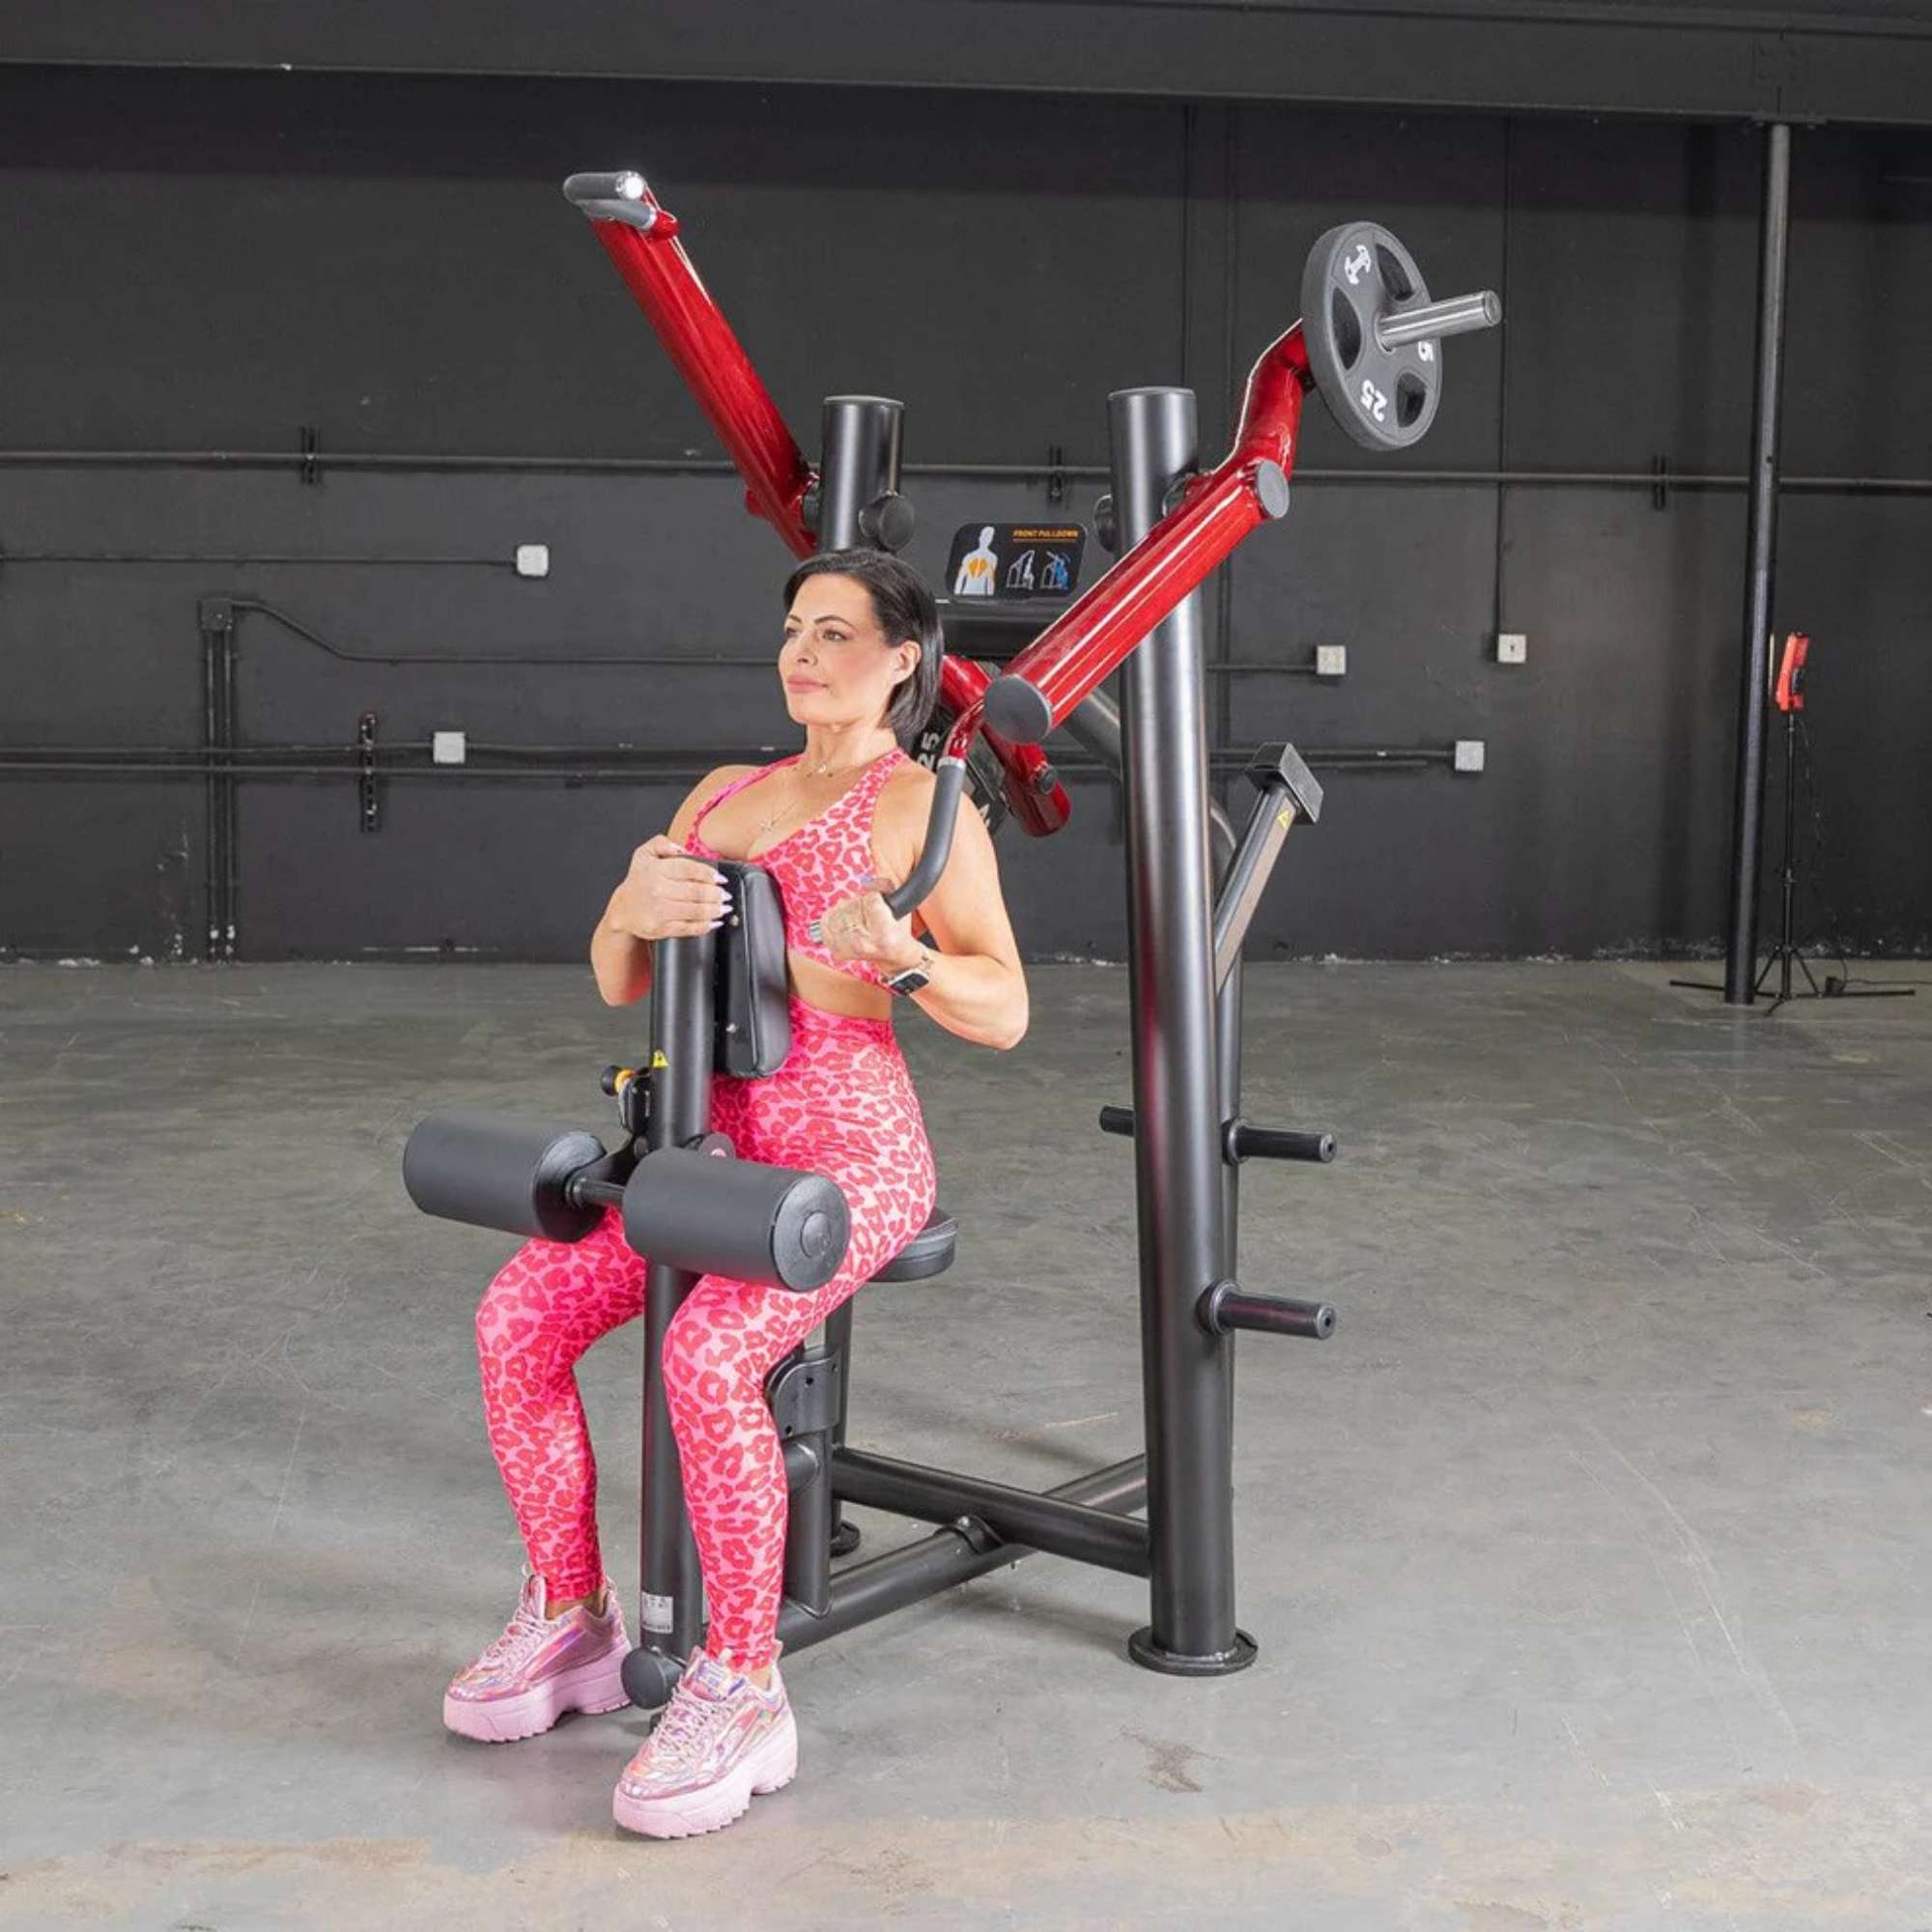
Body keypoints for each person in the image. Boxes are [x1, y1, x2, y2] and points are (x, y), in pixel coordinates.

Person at [442, 548, 1029, 1839]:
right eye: (791, 630)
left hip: (847, 1156)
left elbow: (1008, 1006)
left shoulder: (922, 806)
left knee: (707, 1358)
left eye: (834, 633)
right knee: (515, 1320)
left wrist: (907, 958)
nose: (802, 653)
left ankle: (743, 1683)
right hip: (697, 1149)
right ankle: (570, 1617)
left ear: (900, 661)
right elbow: (617, 977)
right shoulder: (725, 792)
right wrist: (625, 904)